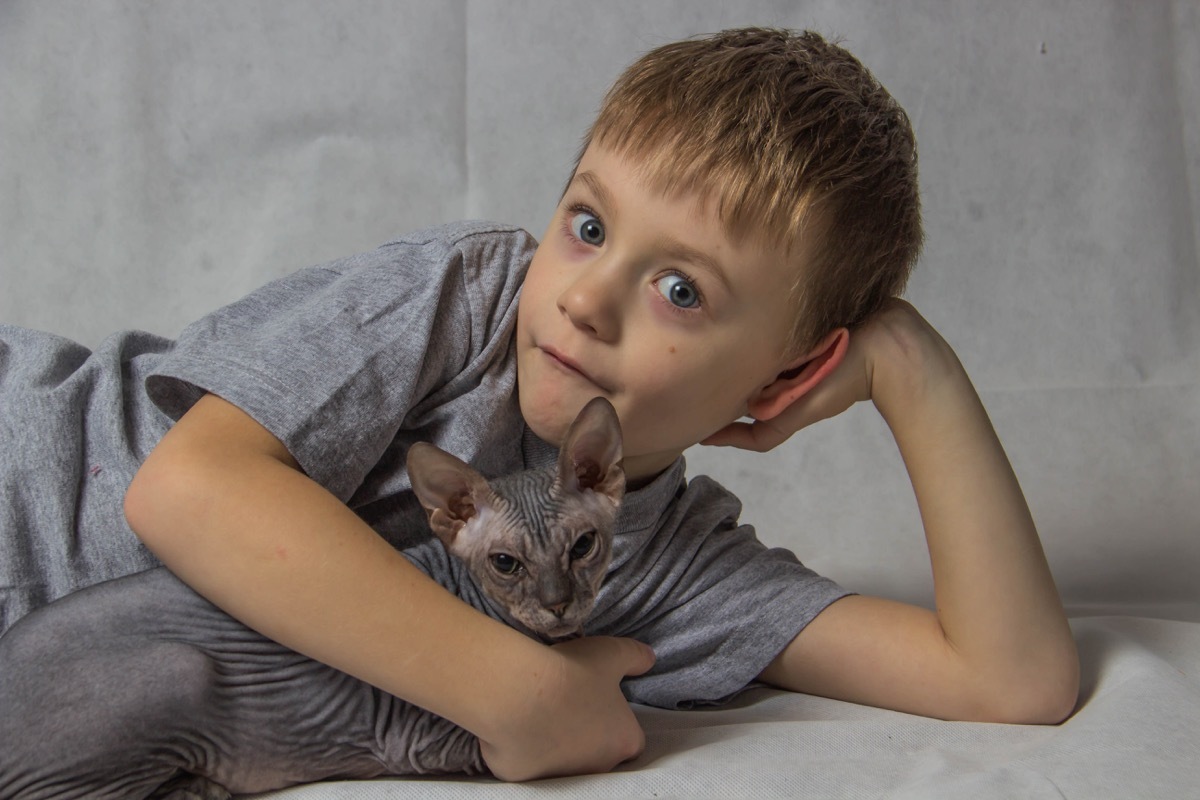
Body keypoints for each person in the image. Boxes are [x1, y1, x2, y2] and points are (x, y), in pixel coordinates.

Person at [0, 27, 1078, 781]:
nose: (586, 297)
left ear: (784, 375)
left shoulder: (671, 563)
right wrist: (516, 690)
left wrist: (909, 357)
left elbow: (1009, 676)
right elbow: (186, 489)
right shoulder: (462, 299)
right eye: (591, 224)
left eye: (682, 289)